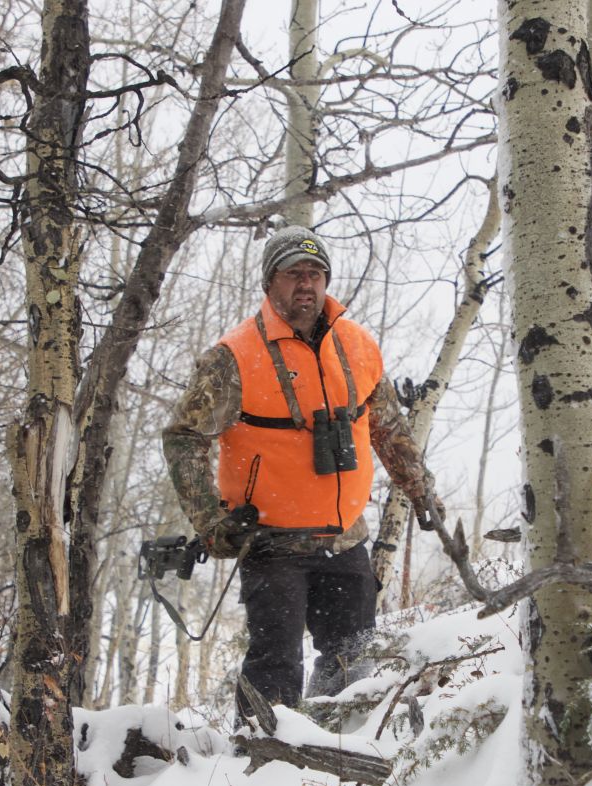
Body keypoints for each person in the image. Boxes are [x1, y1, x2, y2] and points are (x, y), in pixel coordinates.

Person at [162, 225, 445, 713]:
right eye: (294, 274)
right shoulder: (232, 356)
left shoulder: (358, 345)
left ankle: (335, 751)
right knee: (275, 668)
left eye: (315, 273)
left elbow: (389, 431)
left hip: (346, 539)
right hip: (272, 543)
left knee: (352, 665)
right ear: (269, 282)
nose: (306, 284)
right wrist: (209, 522)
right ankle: (259, 753)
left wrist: (422, 492)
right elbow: (184, 437)